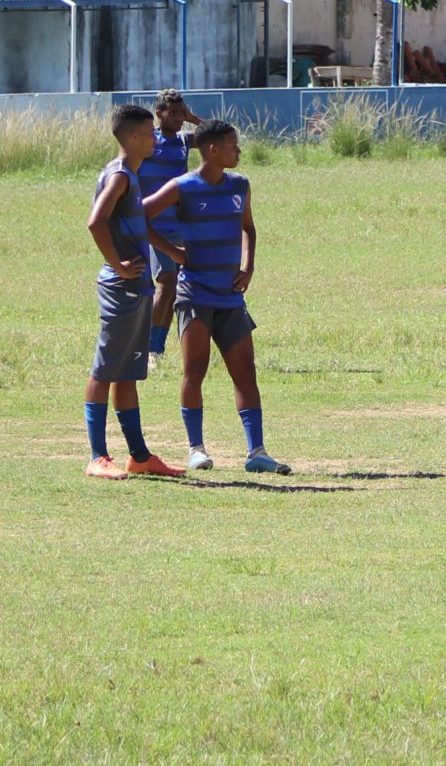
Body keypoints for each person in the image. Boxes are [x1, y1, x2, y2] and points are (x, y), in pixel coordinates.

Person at [141, 119, 292, 473]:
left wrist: (249, 266)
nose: (238, 151)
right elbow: (139, 214)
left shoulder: (240, 185)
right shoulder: (182, 186)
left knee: (246, 373)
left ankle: (257, 453)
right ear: (212, 150)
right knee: (195, 371)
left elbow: (249, 228)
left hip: (230, 297)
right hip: (194, 295)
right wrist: (174, 253)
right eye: (232, 145)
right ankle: (196, 449)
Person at [82, 104, 183, 479]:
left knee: (127, 373)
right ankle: (97, 457)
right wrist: (119, 265)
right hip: (121, 286)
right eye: (151, 132)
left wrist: (173, 253)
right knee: (105, 370)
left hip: (138, 287)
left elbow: (137, 223)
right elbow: (96, 223)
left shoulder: (132, 175)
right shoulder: (121, 176)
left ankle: (139, 457)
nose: (157, 138)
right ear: (134, 137)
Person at [134, 88, 194, 356]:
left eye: (182, 112)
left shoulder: (183, 141)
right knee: (167, 282)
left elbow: (222, 133)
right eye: (174, 113)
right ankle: (147, 349)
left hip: (181, 224)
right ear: (159, 114)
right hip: (153, 226)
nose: (179, 118)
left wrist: (193, 118)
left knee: (174, 288)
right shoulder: (149, 143)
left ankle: (156, 348)